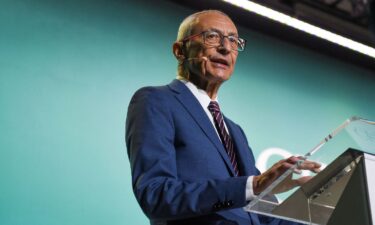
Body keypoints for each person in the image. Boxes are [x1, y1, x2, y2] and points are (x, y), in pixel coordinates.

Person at [126, 10, 321, 225]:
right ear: (180, 50)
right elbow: (156, 195)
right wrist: (254, 185)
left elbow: (266, 217)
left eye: (233, 40)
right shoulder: (157, 100)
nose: (226, 48)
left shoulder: (234, 131)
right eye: (212, 36)